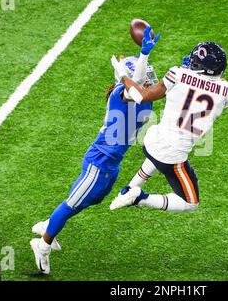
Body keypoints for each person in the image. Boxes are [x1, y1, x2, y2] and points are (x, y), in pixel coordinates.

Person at [30, 27, 160, 274]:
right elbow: (136, 85)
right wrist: (141, 57)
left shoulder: (142, 96)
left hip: (111, 162)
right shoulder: (124, 94)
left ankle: (48, 225)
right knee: (71, 204)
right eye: (145, 76)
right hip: (99, 161)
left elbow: (144, 85)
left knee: (93, 199)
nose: (150, 79)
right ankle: (42, 244)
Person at [110, 42, 228, 213]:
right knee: (190, 203)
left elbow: (140, 96)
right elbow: (219, 93)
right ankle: (140, 197)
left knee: (162, 147)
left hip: (152, 141)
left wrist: (124, 75)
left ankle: (129, 188)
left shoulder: (178, 73)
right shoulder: (227, 90)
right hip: (172, 155)